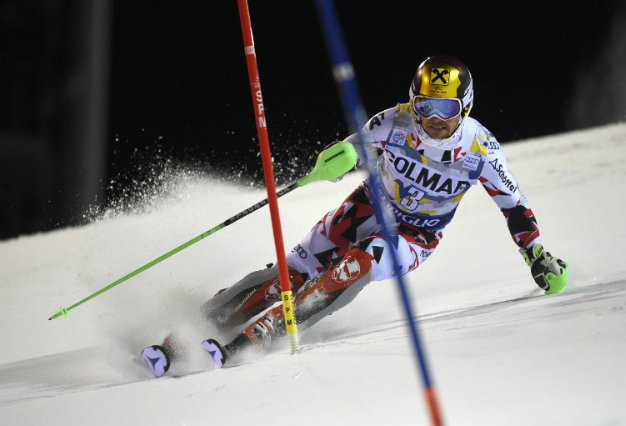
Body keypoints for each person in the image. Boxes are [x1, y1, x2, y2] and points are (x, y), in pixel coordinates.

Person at [142, 56, 568, 376]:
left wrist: (537, 256)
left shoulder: (482, 151)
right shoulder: (394, 122)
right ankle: (190, 328)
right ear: (412, 101)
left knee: (361, 262)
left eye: (447, 111)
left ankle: (266, 331)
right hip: (367, 206)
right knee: (291, 272)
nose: (434, 121)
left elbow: (515, 206)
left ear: (466, 108)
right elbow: (352, 149)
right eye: (426, 107)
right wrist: (337, 160)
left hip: (417, 235)